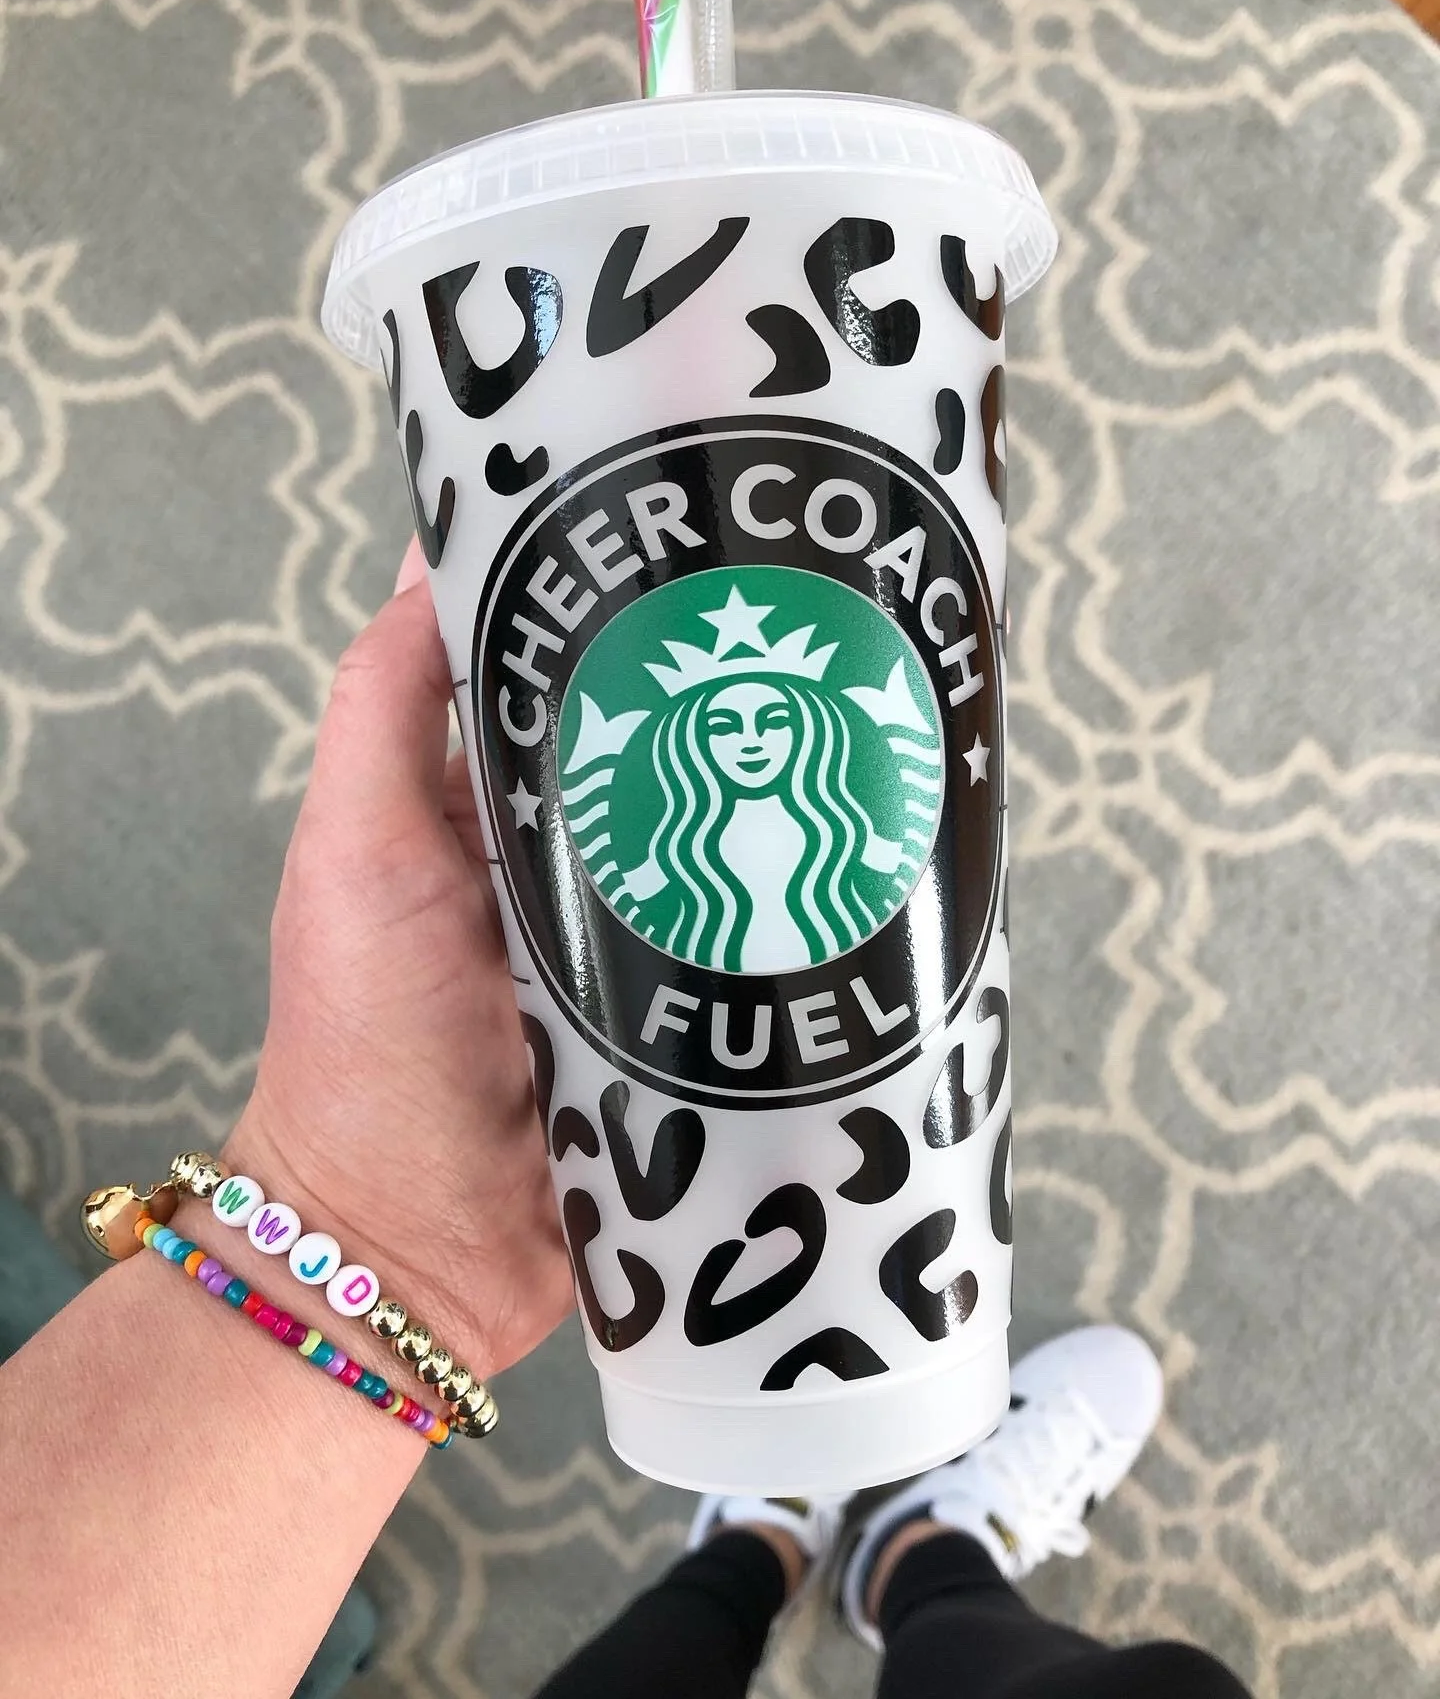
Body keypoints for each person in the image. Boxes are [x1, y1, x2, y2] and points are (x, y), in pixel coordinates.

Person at [0, 546, 1250, 1699]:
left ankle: (787, 1553)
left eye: (776, 718)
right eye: (726, 722)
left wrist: (366, 1223)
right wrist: (368, 1224)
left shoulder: (830, 839)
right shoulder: (669, 865)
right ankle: (905, 1563)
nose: (752, 739)